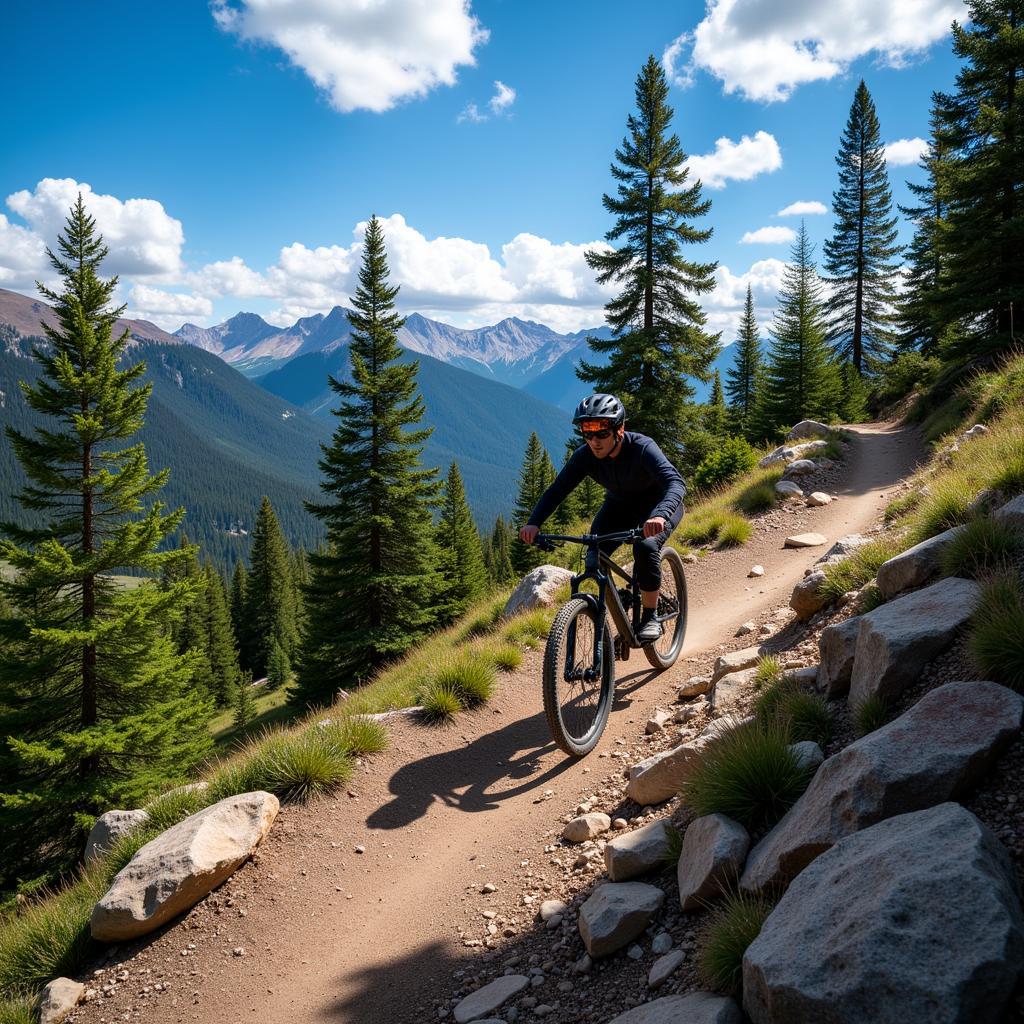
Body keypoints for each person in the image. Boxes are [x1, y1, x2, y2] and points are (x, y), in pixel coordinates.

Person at [518, 393, 686, 644]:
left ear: (620, 429)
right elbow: (557, 491)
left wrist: (660, 515)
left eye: (601, 434)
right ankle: (620, 605)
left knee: (646, 546)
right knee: (594, 552)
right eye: (587, 434)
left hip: (659, 506)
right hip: (619, 507)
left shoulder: (642, 448)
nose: (594, 441)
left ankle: (650, 616)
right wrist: (534, 522)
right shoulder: (584, 456)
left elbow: (676, 483)